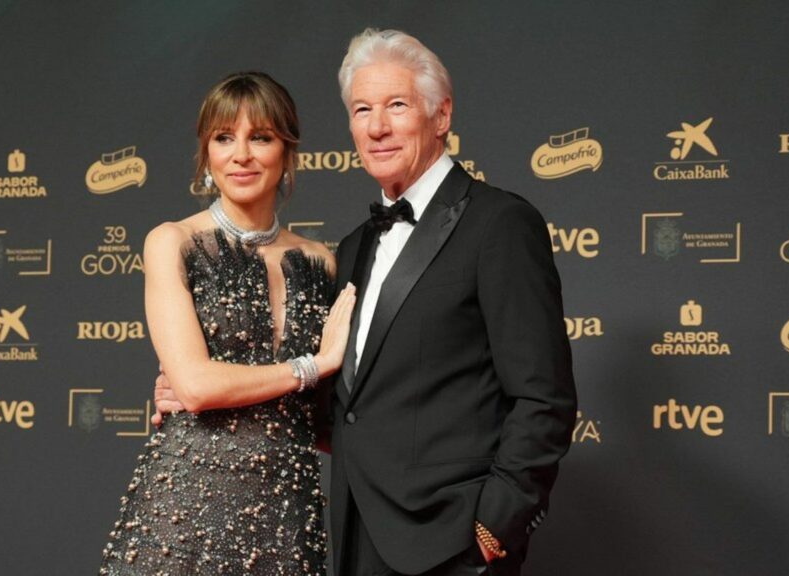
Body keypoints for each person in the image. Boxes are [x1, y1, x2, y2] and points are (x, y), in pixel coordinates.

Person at [157, 29, 576, 576]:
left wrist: (493, 530)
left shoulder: (498, 224)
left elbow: (544, 397)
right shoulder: (352, 248)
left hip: (454, 542)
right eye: (361, 110)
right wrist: (199, 391)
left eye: (396, 106)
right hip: (357, 538)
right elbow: (345, 407)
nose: (376, 127)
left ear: (441, 115)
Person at [99, 71, 356, 576]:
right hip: (185, 513)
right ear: (206, 153)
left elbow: (325, 422)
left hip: (287, 515)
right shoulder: (172, 241)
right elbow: (194, 387)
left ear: (286, 150)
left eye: (259, 137)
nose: (240, 154)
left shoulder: (321, 262)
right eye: (223, 138)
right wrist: (315, 364)